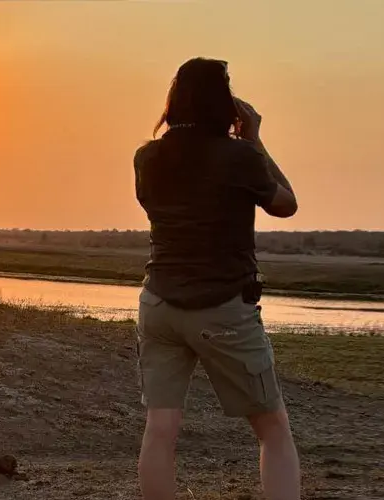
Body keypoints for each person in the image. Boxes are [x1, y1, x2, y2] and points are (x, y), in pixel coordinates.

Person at [131, 57, 301, 500]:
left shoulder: (147, 158)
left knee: (160, 429)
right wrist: (255, 140)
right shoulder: (239, 157)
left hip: (159, 304)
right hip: (223, 307)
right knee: (272, 429)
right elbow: (286, 204)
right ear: (225, 103)